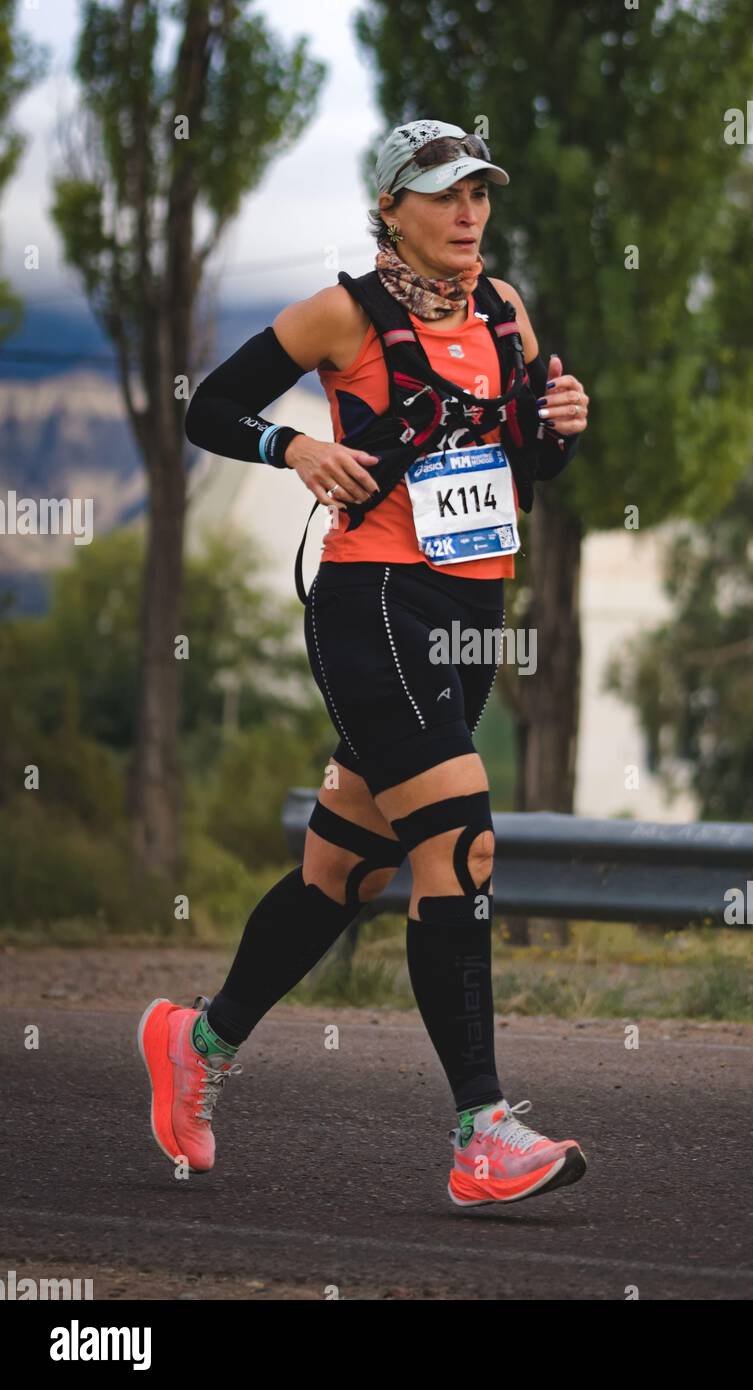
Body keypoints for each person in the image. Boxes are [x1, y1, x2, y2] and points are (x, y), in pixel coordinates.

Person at [138, 119, 590, 1207]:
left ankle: (194, 1044)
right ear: (391, 207)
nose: (468, 211)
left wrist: (563, 425)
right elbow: (206, 405)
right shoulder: (341, 315)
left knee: (345, 874)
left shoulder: (506, 309)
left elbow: (526, 460)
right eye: (443, 193)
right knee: (463, 843)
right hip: (373, 605)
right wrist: (293, 446)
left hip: (474, 615)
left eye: (478, 190)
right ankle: (483, 1134)